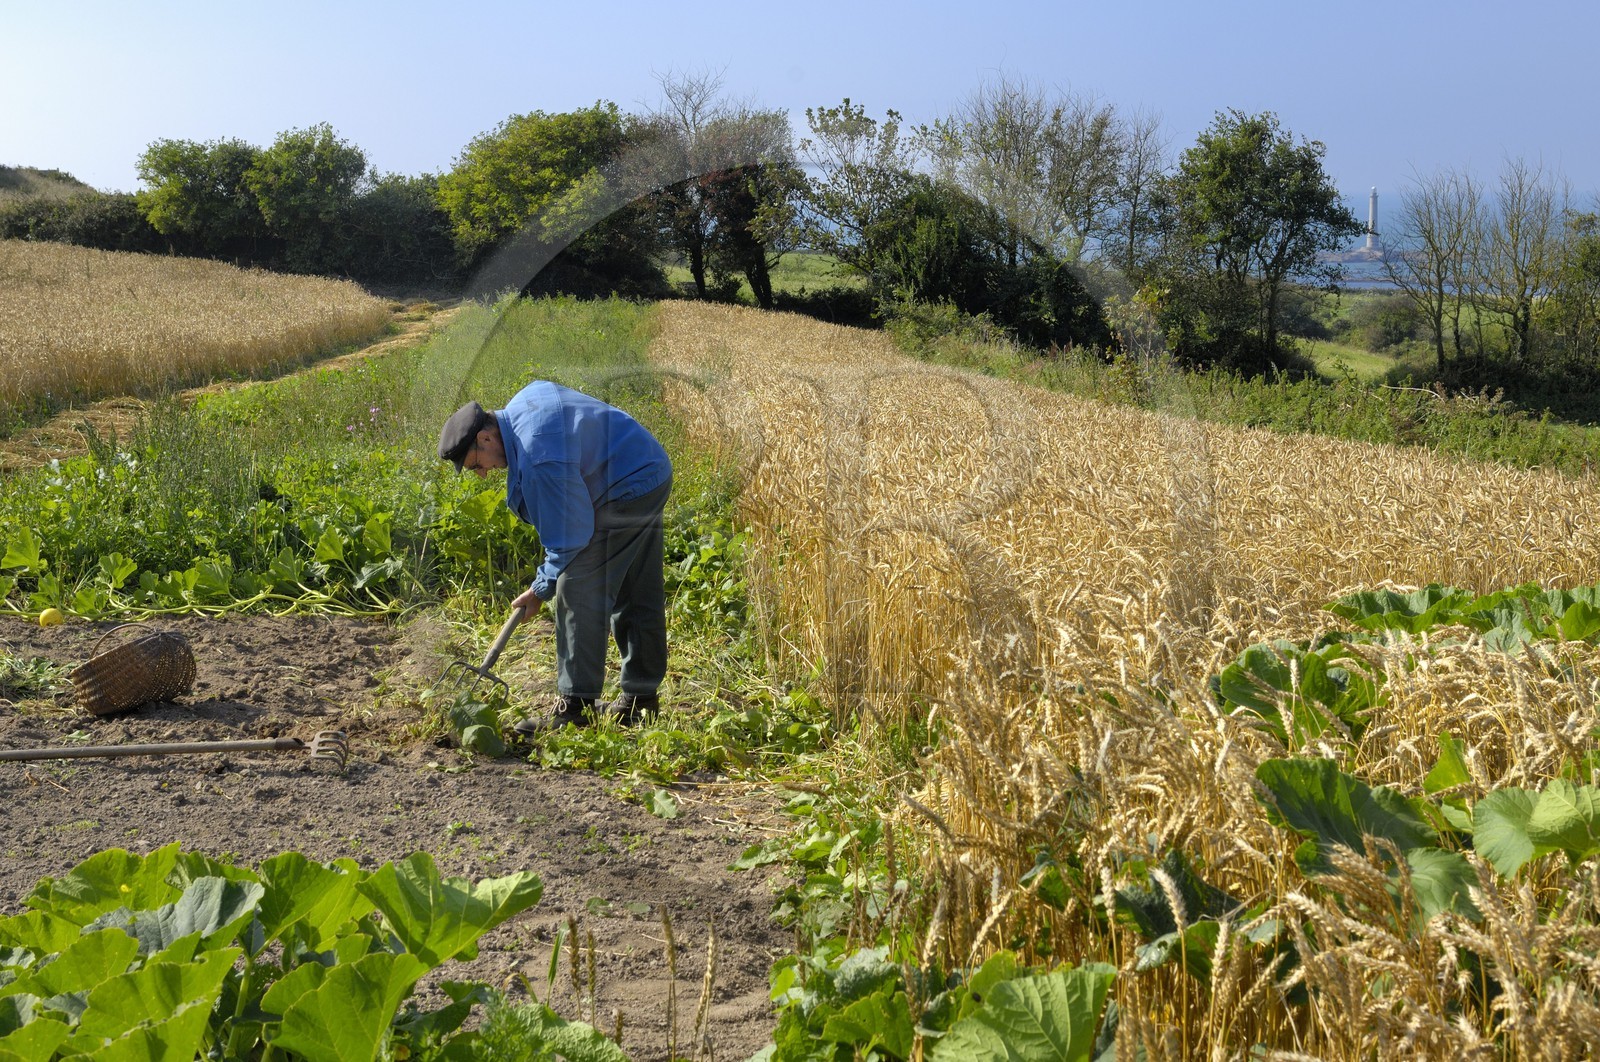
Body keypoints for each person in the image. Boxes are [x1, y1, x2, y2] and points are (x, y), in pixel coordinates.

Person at [437, 382, 673, 735]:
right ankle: (640, 703)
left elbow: (571, 538)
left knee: (577, 586)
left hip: (626, 487)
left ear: (485, 438)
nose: (483, 473)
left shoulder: (538, 457)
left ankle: (575, 710)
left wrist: (540, 588)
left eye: (475, 465)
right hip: (648, 466)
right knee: (635, 587)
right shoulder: (521, 404)